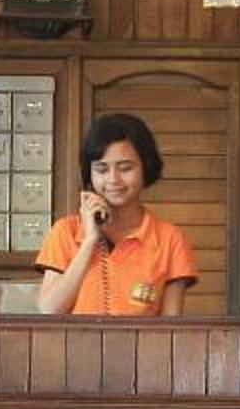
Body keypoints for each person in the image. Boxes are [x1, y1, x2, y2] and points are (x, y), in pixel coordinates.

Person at [34, 113, 196, 317]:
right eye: (101, 169)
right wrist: (89, 241)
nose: (113, 179)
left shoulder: (169, 239)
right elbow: (49, 310)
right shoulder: (65, 231)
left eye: (125, 168)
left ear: (146, 167)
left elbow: (171, 327)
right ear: (88, 175)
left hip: (144, 340)